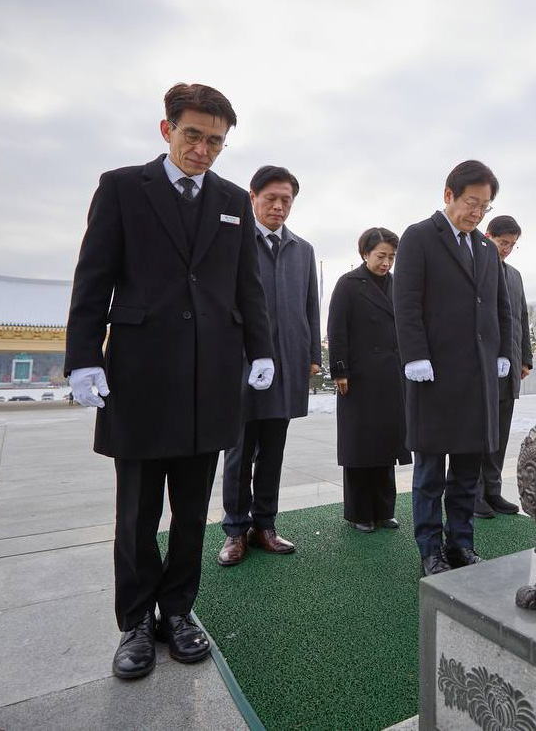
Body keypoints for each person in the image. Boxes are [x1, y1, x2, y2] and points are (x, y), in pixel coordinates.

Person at [65, 83, 275, 680]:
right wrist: (83, 356)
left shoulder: (232, 201)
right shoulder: (122, 188)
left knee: (190, 510)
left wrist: (261, 349)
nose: (203, 150)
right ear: (167, 130)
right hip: (139, 374)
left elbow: (247, 285)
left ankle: (178, 611)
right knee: (136, 512)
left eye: (216, 141)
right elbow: (93, 276)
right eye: (193, 135)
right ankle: (135, 621)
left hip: (210, 376)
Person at [395, 160, 512, 576]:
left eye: (485, 206)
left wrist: (503, 352)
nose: (477, 213)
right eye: (471, 203)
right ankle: (430, 550)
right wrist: (415, 355)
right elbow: (406, 302)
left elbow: (499, 307)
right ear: (449, 195)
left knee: (466, 471)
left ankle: (461, 543)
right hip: (434, 374)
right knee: (430, 471)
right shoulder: (419, 237)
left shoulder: (486, 249)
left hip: (477, 378)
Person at [217, 166, 321, 566]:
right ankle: (235, 529)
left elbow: (311, 306)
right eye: (271, 198)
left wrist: (312, 355)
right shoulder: (234, 242)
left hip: (288, 362)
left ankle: (265, 526)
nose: (278, 206)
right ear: (253, 198)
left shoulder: (302, 249)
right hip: (243, 363)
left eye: (286, 200)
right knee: (239, 451)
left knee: (273, 450)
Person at [327, 227, 412, 532]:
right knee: (360, 446)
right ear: (365, 253)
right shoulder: (348, 284)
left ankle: (384, 510)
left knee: (387, 443)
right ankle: (359, 513)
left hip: (392, 375)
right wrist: (340, 370)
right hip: (359, 378)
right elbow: (337, 329)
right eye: (380, 256)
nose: (386, 262)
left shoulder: (398, 284)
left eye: (391, 256)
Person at [475, 215, 533, 518]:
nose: (507, 249)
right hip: (482, 365)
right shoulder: (475, 269)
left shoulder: (514, 275)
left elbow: (521, 317)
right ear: (488, 236)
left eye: (512, 245)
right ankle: (473, 494)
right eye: (503, 243)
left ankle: (493, 491)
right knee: (479, 432)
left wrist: (525, 358)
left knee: (500, 432)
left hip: (509, 365)